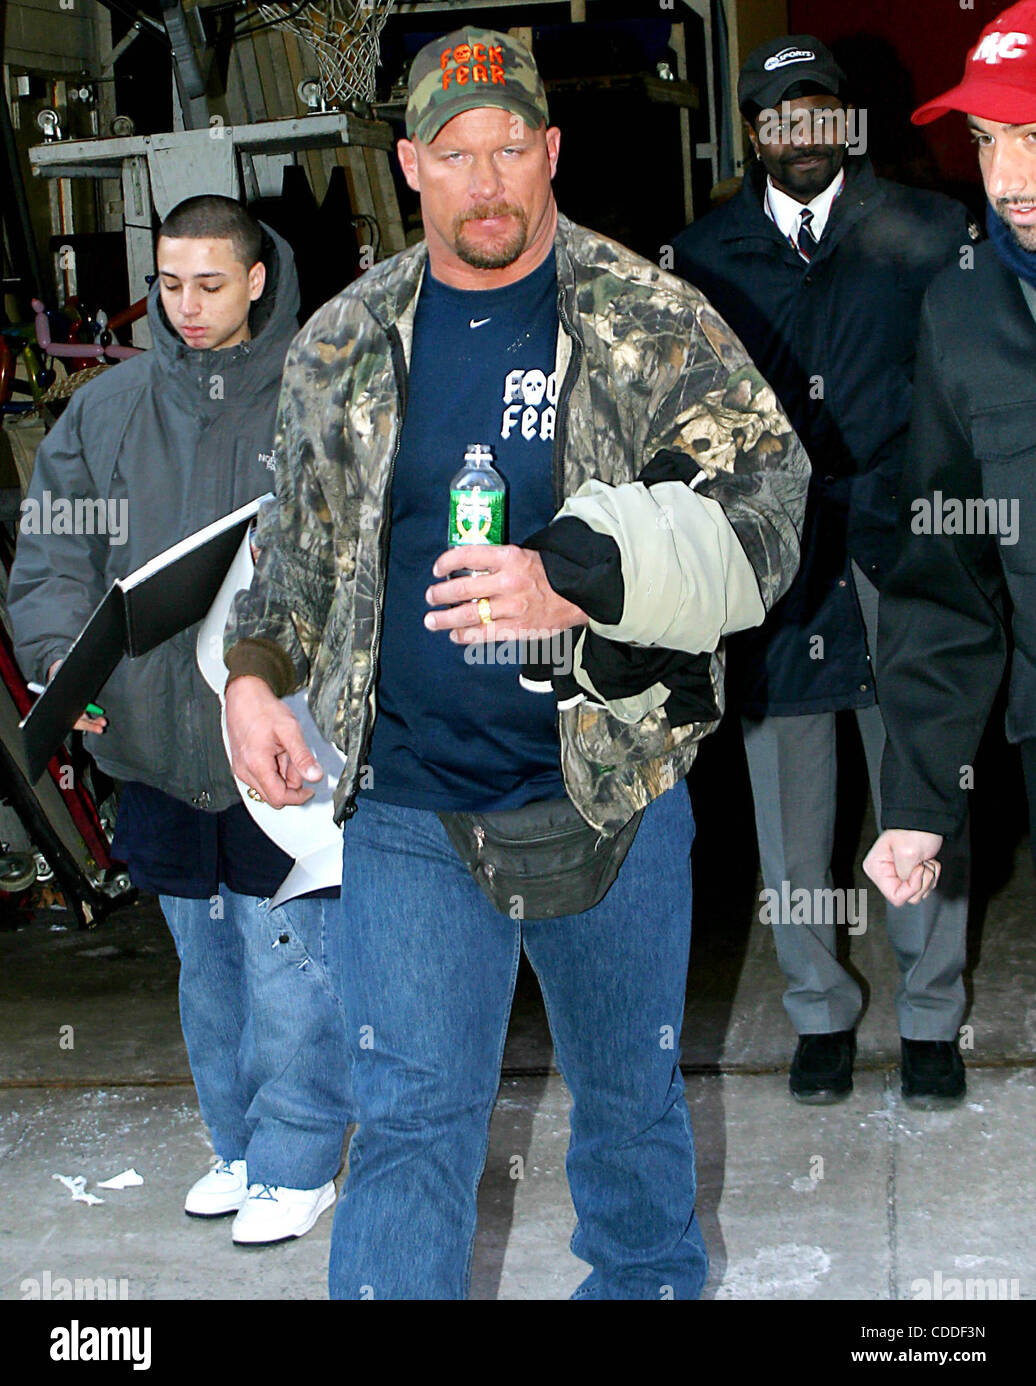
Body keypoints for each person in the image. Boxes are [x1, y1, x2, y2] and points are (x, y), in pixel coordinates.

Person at [222, 26, 810, 1300]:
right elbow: (296, 553)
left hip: (607, 793)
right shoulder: (341, 343)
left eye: (509, 151)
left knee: (629, 1111)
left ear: (550, 153)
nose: (486, 183)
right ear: (409, 166)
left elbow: (770, 514)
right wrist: (255, 674)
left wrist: (579, 572)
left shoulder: (647, 320)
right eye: (455, 154)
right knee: (411, 1127)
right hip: (408, 808)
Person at [8, 195, 350, 1245]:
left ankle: (299, 1162)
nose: (187, 306)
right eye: (169, 284)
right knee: (206, 965)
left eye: (211, 284)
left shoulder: (319, 394)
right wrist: (68, 665)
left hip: (282, 749)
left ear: (257, 279)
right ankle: (239, 1144)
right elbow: (54, 562)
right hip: (154, 747)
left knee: (289, 958)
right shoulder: (104, 412)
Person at [671, 36, 978, 1109]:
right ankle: (816, 1010)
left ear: (849, 123)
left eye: (819, 114)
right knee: (788, 811)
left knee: (923, 786)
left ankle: (931, 1012)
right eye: (776, 116)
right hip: (777, 573)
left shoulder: (931, 233)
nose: (799, 136)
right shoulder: (702, 254)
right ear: (752, 130)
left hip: (904, 557)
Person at [864, 3, 1036, 914]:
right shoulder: (962, 313)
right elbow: (946, 578)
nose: (1007, 178)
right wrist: (921, 802)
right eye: (985, 139)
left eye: (1033, 135)